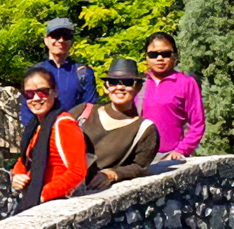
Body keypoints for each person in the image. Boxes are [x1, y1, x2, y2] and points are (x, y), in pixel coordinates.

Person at [11, 65, 91, 211]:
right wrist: (16, 176)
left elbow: (77, 171)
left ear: (54, 92)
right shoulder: (35, 126)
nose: (36, 98)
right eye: (29, 94)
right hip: (37, 200)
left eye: (42, 92)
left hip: (56, 204)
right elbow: (25, 160)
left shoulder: (64, 124)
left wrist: (44, 195)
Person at [79, 58, 159, 192]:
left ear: (137, 87)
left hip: (90, 194)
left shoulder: (144, 129)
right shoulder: (83, 111)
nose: (120, 87)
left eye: (127, 82)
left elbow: (140, 166)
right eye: (114, 82)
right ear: (106, 87)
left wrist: (113, 174)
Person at [19, 16, 100, 133]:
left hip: (73, 134)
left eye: (66, 36)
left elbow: (90, 107)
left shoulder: (84, 73)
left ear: (71, 41)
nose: (61, 40)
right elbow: (27, 108)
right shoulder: (34, 72)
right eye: (56, 35)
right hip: (41, 135)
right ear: (46, 40)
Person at [136, 32, 205, 160]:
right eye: (153, 54)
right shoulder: (138, 84)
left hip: (172, 157)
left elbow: (197, 122)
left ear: (174, 56)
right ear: (146, 57)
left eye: (166, 54)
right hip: (140, 156)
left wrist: (181, 150)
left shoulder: (186, 83)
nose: (159, 58)